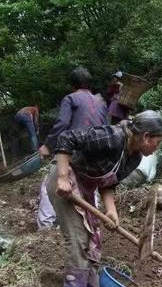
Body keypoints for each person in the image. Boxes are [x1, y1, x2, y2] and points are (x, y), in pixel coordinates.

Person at [47, 110, 162, 287]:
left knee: (93, 239)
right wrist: (62, 178)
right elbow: (66, 138)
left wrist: (111, 210)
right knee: (78, 238)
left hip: (86, 186)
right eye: (158, 141)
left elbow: (108, 183)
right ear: (146, 137)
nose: (158, 147)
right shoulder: (111, 137)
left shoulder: (135, 157)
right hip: (66, 180)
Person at [36, 66, 108, 229]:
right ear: (89, 84)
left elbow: (62, 124)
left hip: (73, 150)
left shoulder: (71, 98)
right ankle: (92, 222)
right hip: (95, 152)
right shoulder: (101, 102)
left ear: (72, 85)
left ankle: (45, 227)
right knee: (89, 186)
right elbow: (105, 128)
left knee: (51, 183)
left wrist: (48, 145)